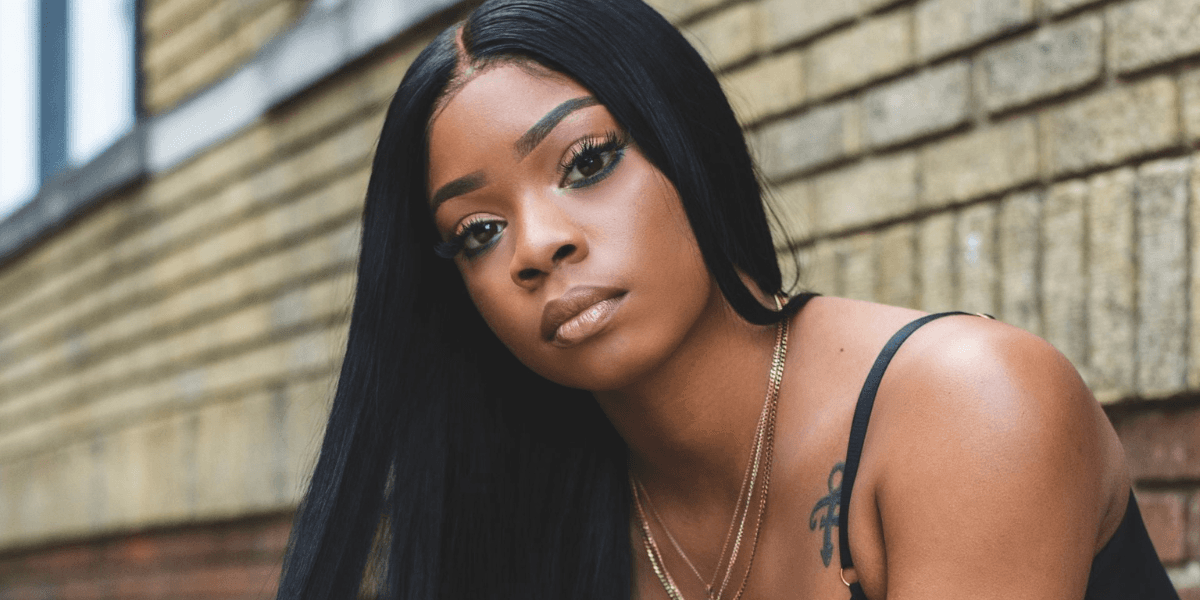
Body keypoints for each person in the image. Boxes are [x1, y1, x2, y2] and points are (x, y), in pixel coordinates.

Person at [275, 0, 1180, 597]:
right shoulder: (540, 510)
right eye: (478, 231)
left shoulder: (969, 407)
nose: (538, 245)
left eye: (587, 162)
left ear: (689, 142)